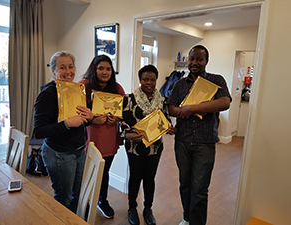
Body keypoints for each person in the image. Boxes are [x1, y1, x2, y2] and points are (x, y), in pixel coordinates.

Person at [167, 45, 232, 225]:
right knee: (185, 184)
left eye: (199, 59)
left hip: (205, 141)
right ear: (187, 60)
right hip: (183, 141)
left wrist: (192, 108)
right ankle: (187, 218)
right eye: (192, 59)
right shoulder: (179, 84)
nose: (195, 62)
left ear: (206, 61)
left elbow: (225, 102)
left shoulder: (216, 80)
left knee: (200, 188)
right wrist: (181, 111)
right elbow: (171, 107)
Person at [33, 51, 94, 213]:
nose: (68, 72)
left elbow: (80, 120)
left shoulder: (76, 90)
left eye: (71, 67)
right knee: (63, 198)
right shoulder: (47, 94)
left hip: (79, 150)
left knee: (78, 194)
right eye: (62, 68)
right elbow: (38, 131)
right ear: (53, 71)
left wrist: (90, 117)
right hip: (59, 154)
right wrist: (66, 124)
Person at [121, 65, 177, 225]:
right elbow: (123, 121)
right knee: (135, 177)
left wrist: (169, 128)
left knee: (150, 178)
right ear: (140, 80)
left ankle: (148, 208)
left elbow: (165, 120)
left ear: (156, 80)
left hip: (155, 147)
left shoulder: (162, 100)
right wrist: (128, 134)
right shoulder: (129, 99)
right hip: (135, 147)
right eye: (146, 79)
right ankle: (132, 207)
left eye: (152, 79)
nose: (149, 83)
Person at [79, 55, 125, 219]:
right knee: (85, 173)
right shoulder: (83, 86)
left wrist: (116, 118)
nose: (105, 72)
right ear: (94, 69)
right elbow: (74, 112)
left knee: (104, 172)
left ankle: (101, 200)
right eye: (101, 68)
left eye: (108, 68)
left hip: (109, 138)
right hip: (89, 137)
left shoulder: (117, 88)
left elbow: (122, 112)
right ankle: (84, 202)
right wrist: (93, 119)